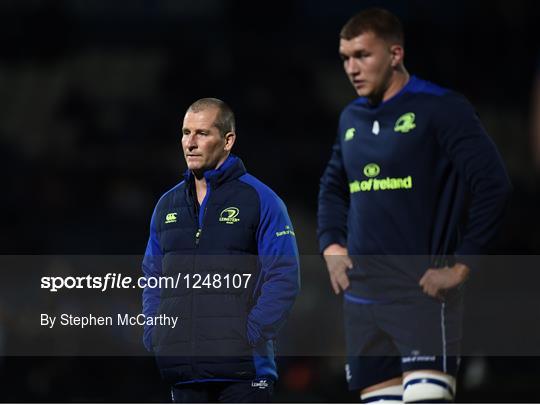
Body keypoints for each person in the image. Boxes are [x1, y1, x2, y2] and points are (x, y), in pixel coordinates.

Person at [317, 8, 512, 403]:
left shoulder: (441, 108)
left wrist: (462, 265)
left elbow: (494, 185)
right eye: (345, 58)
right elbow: (331, 187)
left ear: (395, 54)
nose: (351, 68)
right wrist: (331, 245)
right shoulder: (350, 118)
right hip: (364, 301)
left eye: (362, 55)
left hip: (421, 296)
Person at [142, 98, 300, 403]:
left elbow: (283, 276)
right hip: (184, 373)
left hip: (243, 374)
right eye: (186, 132)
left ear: (228, 140)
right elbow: (153, 275)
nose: (190, 143)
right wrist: (156, 332)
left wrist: (248, 335)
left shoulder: (261, 199)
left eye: (202, 133)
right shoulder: (166, 206)